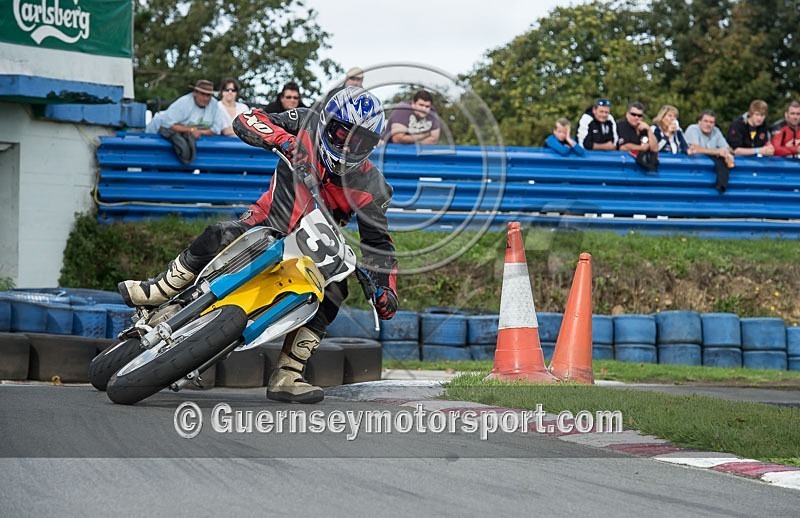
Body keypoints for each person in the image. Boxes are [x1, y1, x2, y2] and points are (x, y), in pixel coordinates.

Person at [119, 87, 398, 404]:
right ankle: (161, 287)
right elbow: (248, 118)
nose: (348, 145)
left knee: (336, 290)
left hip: (313, 250)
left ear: (371, 146)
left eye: (358, 140)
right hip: (267, 221)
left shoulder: (374, 187)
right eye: (341, 133)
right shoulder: (304, 121)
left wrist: (386, 289)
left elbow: (379, 244)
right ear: (325, 123)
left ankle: (289, 373)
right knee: (220, 233)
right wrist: (284, 141)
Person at [145, 79, 233, 137]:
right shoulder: (183, 103)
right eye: (202, 94)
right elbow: (167, 124)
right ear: (195, 93)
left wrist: (198, 132)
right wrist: (190, 130)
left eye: (208, 95)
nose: (205, 98)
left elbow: (216, 129)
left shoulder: (214, 105)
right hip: (155, 133)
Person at [685, 110, 735, 193]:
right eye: (706, 121)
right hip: (692, 169)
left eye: (711, 122)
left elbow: (728, 148)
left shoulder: (716, 131)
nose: (708, 124)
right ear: (699, 122)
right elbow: (695, 148)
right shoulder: (692, 129)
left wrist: (727, 153)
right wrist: (717, 152)